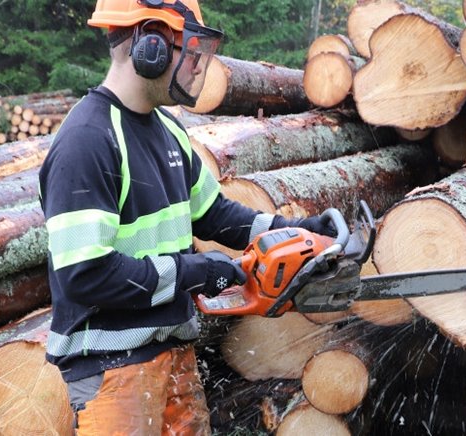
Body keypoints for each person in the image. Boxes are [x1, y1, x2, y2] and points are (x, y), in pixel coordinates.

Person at [38, 0, 337, 433]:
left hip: (175, 358)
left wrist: (290, 231)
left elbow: (213, 214)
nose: (199, 67)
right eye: (192, 50)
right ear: (149, 44)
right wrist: (191, 272)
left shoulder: (169, 130)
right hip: (110, 371)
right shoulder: (89, 139)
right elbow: (83, 273)